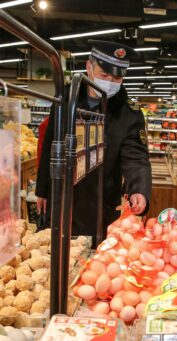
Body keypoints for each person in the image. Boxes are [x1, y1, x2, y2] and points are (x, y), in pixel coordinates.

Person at [36, 40, 152, 236]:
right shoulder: (66, 98)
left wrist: (139, 190)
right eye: (104, 75)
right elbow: (50, 143)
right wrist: (42, 189)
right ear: (89, 67)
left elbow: (136, 157)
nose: (110, 82)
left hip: (101, 202)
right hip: (63, 196)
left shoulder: (129, 114)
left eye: (117, 78)